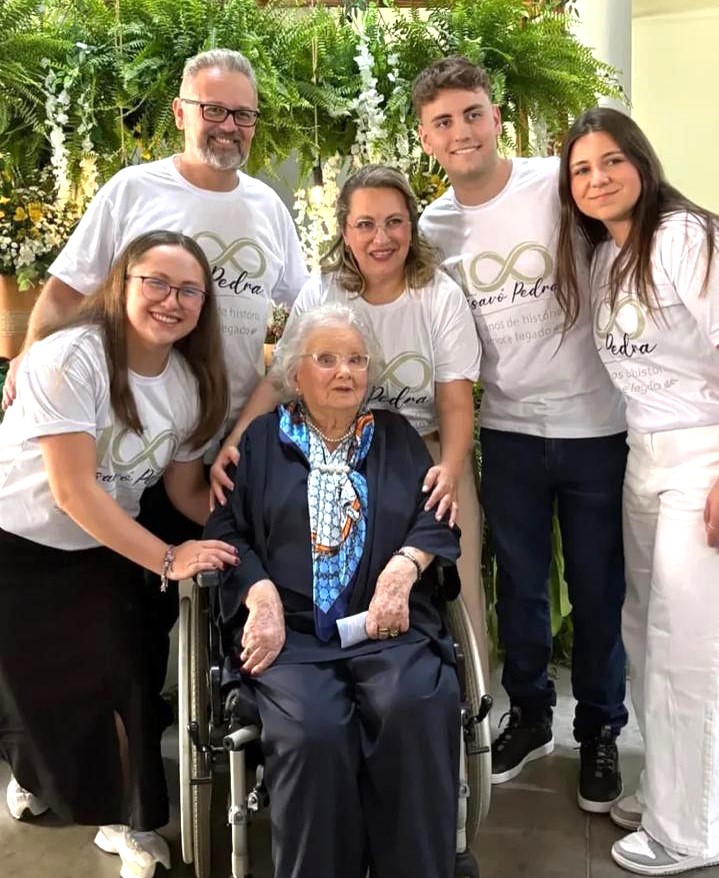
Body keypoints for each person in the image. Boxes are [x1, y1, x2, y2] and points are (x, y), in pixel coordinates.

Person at [1, 47, 309, 699]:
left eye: (244, 115)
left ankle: (249, 715)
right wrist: (31, 355)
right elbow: (65, 289)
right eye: (214, 109)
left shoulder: (267, 208)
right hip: (152, 442)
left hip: (236, 438)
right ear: (180, 112)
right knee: (144, 608)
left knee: (237, 577)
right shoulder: (134, 190)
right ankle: (147, 721)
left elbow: (305, 314)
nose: (229, 126)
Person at [411, 55, 628, 812]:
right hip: (505, 433)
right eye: (442, 122)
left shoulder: (557, 184)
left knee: (598, 591)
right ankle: (531, 716)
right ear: (425, 138)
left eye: (472, 114)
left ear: (495, 116)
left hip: (596, 427)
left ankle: (599, 729)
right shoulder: (431, 228)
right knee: (521, 591)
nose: (461, 131)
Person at [0, 230, 238, 878]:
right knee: (31, 687)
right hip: (19, 542)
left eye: (188, 290)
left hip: (100, 545)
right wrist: (168, 558)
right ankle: (35, 778)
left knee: (125, 677)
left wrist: (252, 532)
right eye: (155, 283)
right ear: (121, 285)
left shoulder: (189, 383)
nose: (171, 300)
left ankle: (127, 822)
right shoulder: (69, 358)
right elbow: (73, 490)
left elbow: (185, 491)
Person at [205, 302, 462, 878]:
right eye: (326, 359)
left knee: (413, 707)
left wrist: (401, 571)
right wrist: (261, 596)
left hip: (387, 626)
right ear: (295, 374)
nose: (344, 372)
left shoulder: (395, 436)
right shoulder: (261, 442)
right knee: (312, 731)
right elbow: (225, 530)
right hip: (293, 634)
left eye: (356, 360)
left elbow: (436, 516)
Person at [211, 163, 487, 667]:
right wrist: (236, 443)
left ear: (412, 226)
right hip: (333, 448)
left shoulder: (438, 296)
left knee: (456, 586)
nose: (381, 238)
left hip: (425, 454)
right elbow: (281, 379)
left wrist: (449, 469)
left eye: (394, 222)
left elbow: (454, 401)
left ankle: (460, 700)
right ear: (345, 230)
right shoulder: (324, 290)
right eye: (365, 224)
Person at [556, 106, 719, 876]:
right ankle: (668, 790)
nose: (597, 179)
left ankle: (690, 830)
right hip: (642, 459)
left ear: (641, 163)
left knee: (688, 645)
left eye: (611, 161)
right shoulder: (603, 257)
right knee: (645, 632)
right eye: (581, 169)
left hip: (703, 455)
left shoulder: (684, 236)